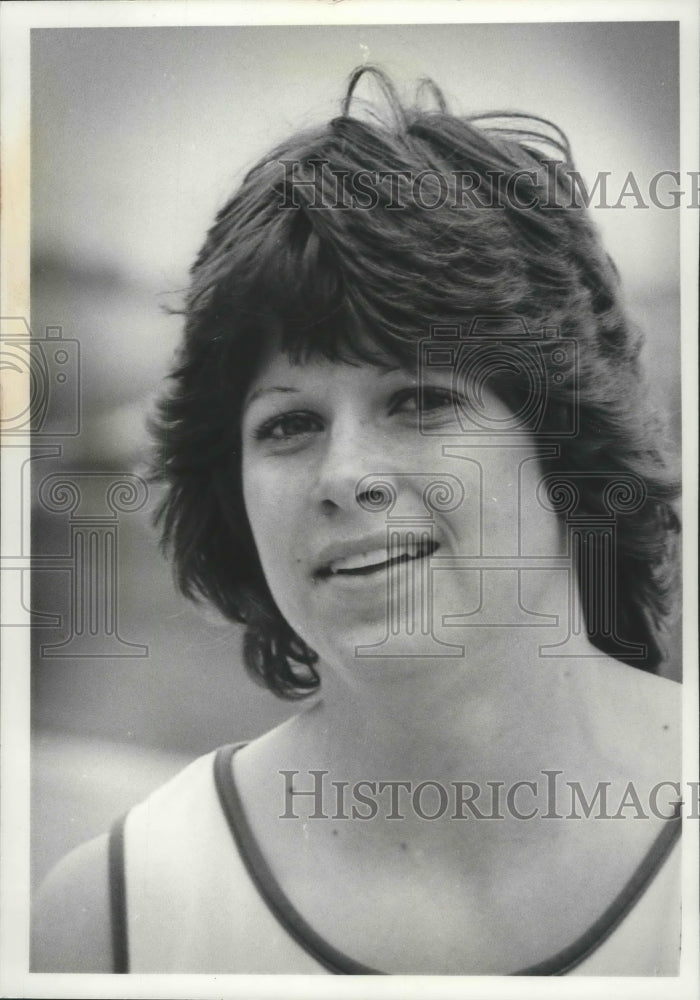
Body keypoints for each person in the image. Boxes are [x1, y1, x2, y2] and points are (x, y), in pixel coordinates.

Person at [33, 66, 682, 976]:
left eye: (418, 400)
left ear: (564, 439)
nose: (345, 476)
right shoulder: (114, 920)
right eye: (289, 424)